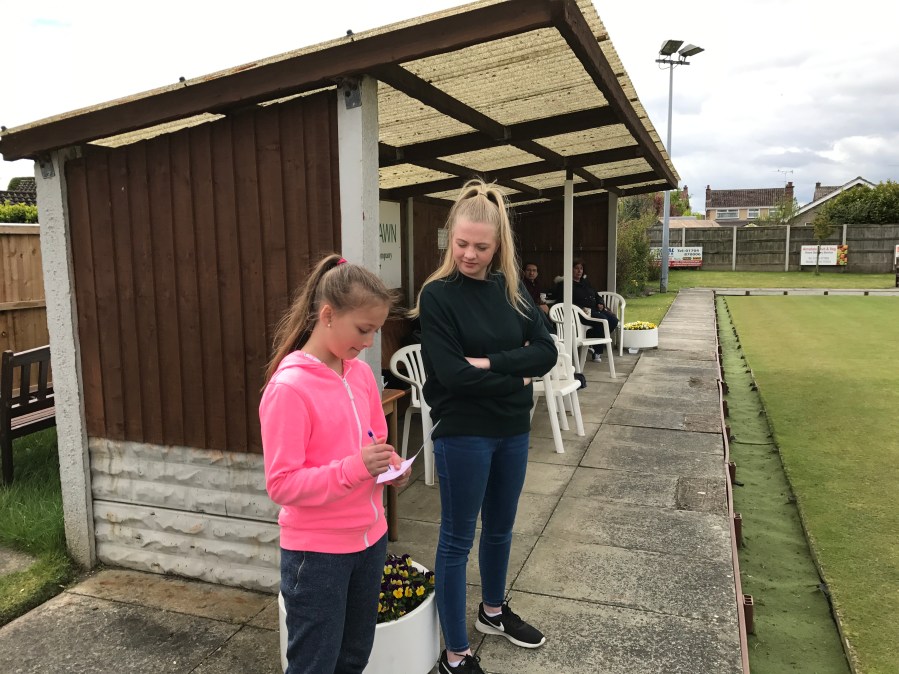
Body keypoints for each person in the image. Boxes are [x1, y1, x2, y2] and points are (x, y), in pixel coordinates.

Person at [411, 180, 556, 674]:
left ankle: (492, 612)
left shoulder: (512, 291)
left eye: (481, 247)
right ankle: (455, 653)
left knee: (500, 528)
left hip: (512, 429)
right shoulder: (437, 295)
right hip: (464, 433)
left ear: (498, 247)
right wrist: (517, 375)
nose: (469, 255)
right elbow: (452, 376)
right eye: (461, 244)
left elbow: (547, 351)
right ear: (449, 238)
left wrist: (491, 364)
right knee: (457, 540)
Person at [260, 254, 411, 674]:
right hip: (317, 556)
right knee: (315, 665)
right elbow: (282, 484)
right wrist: (354, 469)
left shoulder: (360, 375)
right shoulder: (289, 388)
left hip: (370, 542)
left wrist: (391, 466)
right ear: (327, 315)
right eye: (363, 330)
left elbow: (374, 440)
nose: (370, 342)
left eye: (376, 330)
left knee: (354, 657)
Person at [552, 259, 619, 360]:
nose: (579, 271)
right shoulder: (565, 284)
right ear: (570, 269)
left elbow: (596, 295)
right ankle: (597, 352)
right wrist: (580, 308)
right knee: (602, 320)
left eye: (581, 268)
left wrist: (600, 303)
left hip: (594, 310)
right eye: (576, 268)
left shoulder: (586, 282)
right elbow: (563, 301)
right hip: (579, 313)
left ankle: (591, 337)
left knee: (613, 320)